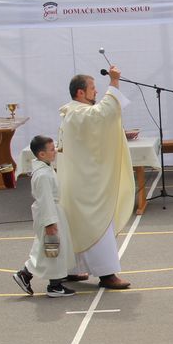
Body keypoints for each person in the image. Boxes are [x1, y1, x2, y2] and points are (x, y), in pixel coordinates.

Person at [59, 67, 135, 290]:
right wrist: (114, 82)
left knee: (79, 225)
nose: (96, 92)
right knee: (98, 223)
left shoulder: (75, 112)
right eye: (93, 88)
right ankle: (107, 273)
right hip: (86, 184)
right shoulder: (78, 113)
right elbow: (105, 113)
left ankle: (72, 268)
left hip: (80, 180)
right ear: (80, 92)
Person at [12, 135, 77, 298]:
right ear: (41, 154)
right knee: (53, 249)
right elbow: (45, 200)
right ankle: (54, 285)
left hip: (53, 212)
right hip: (50, 214)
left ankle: (25, 274)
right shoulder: (42, 175)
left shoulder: (45, 168)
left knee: (46, 249)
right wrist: (50, 223)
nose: (55, 151)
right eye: (52, 149)